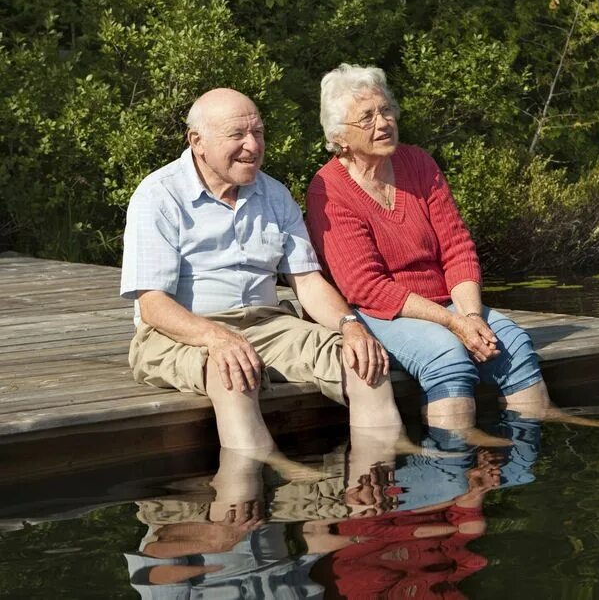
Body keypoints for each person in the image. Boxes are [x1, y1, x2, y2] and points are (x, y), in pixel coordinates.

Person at [306, 64, 599, 436]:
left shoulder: (418, 162)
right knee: (448, 358)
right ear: (340, 137)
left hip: (448, 301)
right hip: (382, 312)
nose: (383, 122)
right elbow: (365, 286)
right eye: (366, 118)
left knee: (512, 343)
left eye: (386, 110)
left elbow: (457, 248)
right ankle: (452, 460)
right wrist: (453, 323)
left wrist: (471, 315)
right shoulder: (328, 189)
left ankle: (529, 439)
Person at [120, 88, 408, 470]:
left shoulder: (274, 194)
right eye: (237, 135)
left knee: (363, 361)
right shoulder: (158, 196)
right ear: (197, 142)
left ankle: (377, 482)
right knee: (231, 374)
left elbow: (307, 283)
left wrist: (350, 325)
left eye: (258, 133)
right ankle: (256, 484)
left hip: (267, 323)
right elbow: (153, 305)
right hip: (180, 331)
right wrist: (216, 339)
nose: (252, 146)